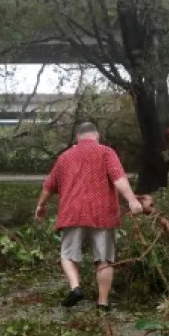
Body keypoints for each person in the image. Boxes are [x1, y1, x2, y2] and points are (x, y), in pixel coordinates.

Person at [34, 122, 143, 310]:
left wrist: (40, 205)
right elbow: (118, 178)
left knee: (68, 255)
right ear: (97, 136)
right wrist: (132, 200)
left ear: (78, 137)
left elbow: (48, 185)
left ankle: (75, 287)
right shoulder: (106, 152)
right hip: (103, 212)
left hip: (73, 212)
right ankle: (103, 303)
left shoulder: (64, 157)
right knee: (104, 259)